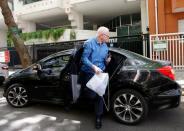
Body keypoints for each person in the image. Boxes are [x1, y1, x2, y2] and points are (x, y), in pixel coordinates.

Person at [80, 26, 111, 129]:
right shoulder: (89, 43)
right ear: (101, 35)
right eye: (107, 35)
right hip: (89, 73)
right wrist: (93, 67)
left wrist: (107, 61)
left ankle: (98, 117)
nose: (108, 37)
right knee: (92, 95)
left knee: (99, 95)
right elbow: (84, 59)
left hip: (100, 74)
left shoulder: (106, 46)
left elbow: (104, 61)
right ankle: (85, 101)